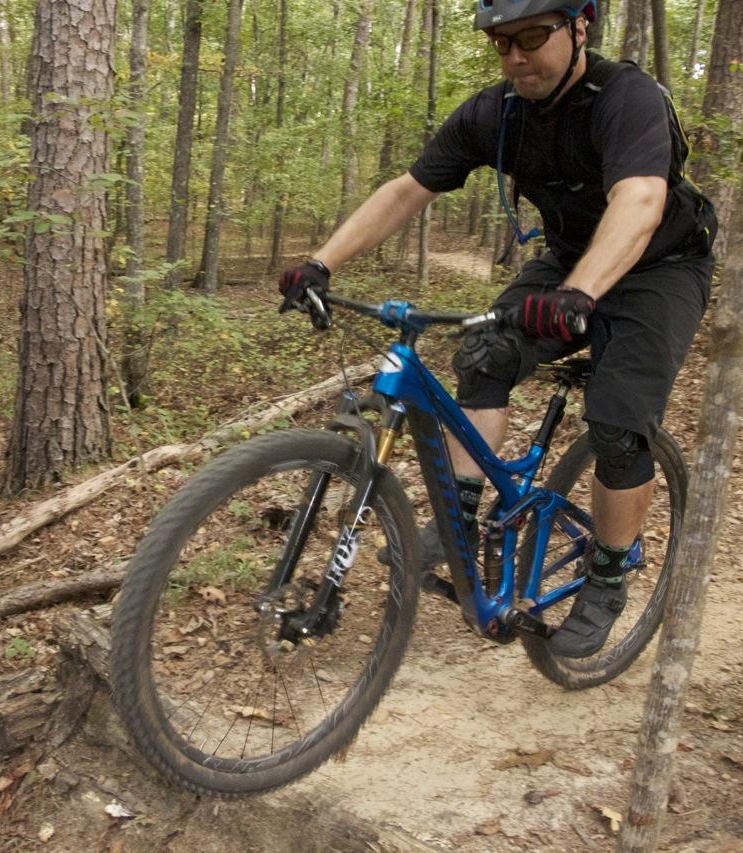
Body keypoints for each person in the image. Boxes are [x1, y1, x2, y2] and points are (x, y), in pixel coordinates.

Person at [277, 0, 717, 658]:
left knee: (619, 424)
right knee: (484, 356)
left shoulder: (624, 97)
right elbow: (406, 190)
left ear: (579, 27)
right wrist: (320, 262)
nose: (514, 56)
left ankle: (606, 573)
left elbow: (642, 200)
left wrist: (579, 295)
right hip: (569, 260)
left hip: (661, 266)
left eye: (532, 37)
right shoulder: (498, 112)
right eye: (501, 42)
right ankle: (460, 516)